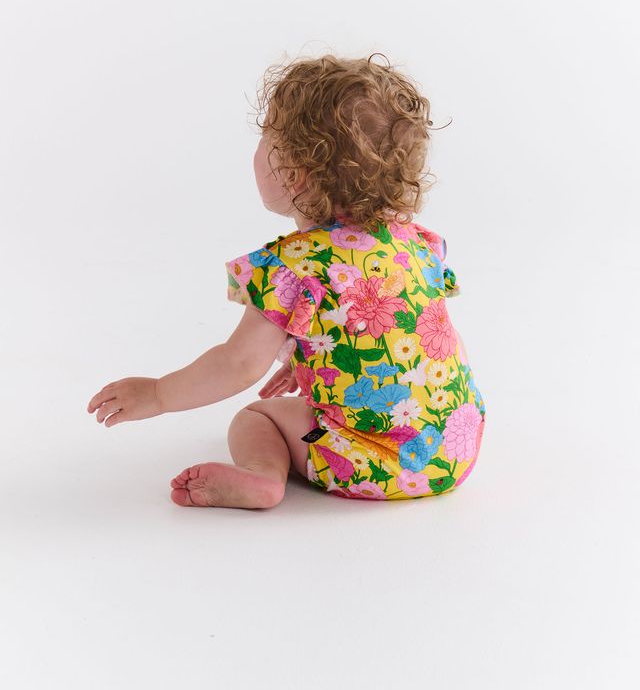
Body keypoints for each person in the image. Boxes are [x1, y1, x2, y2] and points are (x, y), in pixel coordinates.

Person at [86, 52, 486, 508]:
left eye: (265, 136)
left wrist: (158, 394)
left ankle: (262, 476)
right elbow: (408, 339)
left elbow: (239, 364)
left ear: (293, 174)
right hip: (455, 449)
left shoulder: (294, 266)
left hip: (373, 467)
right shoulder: (415, 244)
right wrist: (311, 360)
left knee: (256, 417)